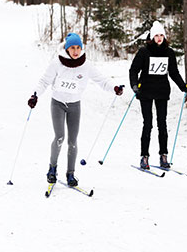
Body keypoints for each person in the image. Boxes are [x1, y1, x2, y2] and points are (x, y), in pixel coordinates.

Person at [28, 33, 124, 186]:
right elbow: (44, 81)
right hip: (57, 104)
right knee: (59, 137)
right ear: (67, 49)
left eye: (78, 48)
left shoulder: (86, 65)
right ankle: (52, 169)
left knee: (73, 141)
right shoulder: (57, 63)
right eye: (72, 48)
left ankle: (70, 174)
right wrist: (35, 95)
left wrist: (115, 88)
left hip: (74, 106)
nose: (75, 51)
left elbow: (101, 80)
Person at [129, 21, 187, 170]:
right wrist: (135, 86)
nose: (159, 38)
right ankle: (144, 157)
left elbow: (173, 72)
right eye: (156, 35)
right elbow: (133, 70)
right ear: (152, 36)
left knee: (162, 124)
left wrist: (183, 86)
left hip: (162, 91)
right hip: (146, 91)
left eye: (162, 35)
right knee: (147, 124)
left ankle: (163, 156)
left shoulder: (169, 52)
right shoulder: (144, 51)